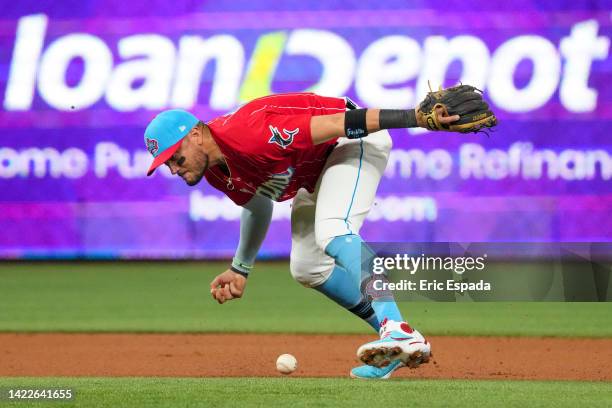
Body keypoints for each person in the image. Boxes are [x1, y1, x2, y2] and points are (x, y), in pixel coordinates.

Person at [144, 92, 460, 379]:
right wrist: (240, 268)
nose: (173, 168)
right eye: (166, 163)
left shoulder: (248, 134)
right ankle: (394, 347)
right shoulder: (214, 169)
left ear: (196, 135)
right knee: (307, 267)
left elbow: (341, 122)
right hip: (314, 171)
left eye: (176, 157)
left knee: (333, 228)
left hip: (350, 143)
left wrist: (414, 118)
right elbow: (258, 206)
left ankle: (398, 329)